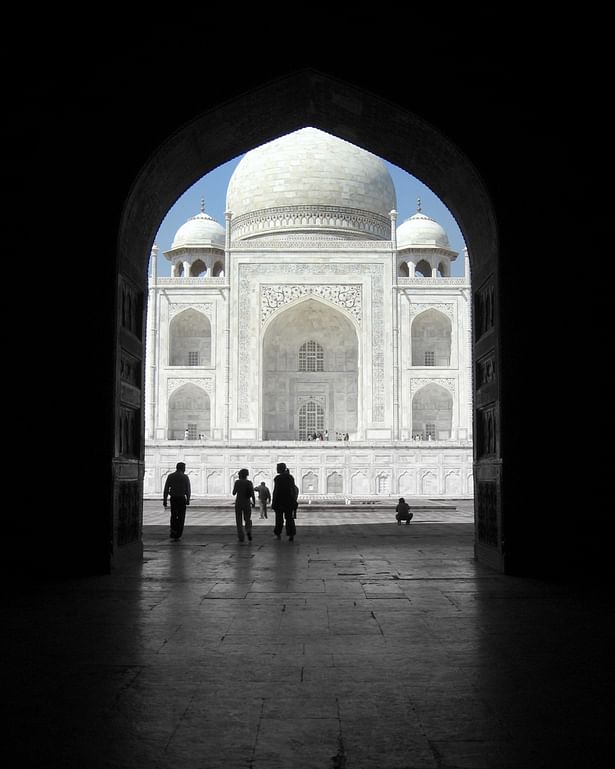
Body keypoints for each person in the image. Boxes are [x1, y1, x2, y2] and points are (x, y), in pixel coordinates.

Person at [163, 462, 191, 541]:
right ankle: (178, 533)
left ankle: (173, 531)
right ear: (182, 468)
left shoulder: (170, 476)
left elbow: (166, 489)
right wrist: (188, 499)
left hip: (173, 498)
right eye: (184, 468)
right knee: (181, 516)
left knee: (174, 515)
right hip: (181, 499)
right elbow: (188, 489)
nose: (185, 469)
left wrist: (165, 499)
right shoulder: (185, 477)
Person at [272, 462, 297, 542]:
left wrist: (273, 502)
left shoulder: (278, 478)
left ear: (280, 469)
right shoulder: (290, 477)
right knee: (289, 518)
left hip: (279, 501)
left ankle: (278, 534)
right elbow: (293, 489)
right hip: (289, 501)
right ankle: (291, 535)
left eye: (277, 468)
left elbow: (276, 491)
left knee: (279, 519)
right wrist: (294, 500)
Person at [232, 468, 255, 542]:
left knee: (239, 520)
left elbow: (234, 493)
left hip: (239, 503)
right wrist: (254, 502)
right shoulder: (249, 482)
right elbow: (252, 494)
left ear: (240, 475)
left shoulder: (237, 482)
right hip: (247, 503)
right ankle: (248, 531)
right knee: (247, 519)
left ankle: (241, 537)